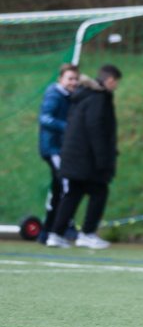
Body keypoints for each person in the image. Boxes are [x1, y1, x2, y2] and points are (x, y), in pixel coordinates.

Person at [46, 65, 122, 249]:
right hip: (86, 157)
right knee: (99, 192)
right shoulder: (98, 98)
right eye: (116, 82)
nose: (116, 86)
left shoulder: (83, 96)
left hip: (74, 154)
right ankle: (87, 233)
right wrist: (103, 158)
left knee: (73, 193)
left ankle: (55, 234)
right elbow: (95, 129)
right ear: (110, 80)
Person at [37, 63, 80, 243]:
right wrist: (68, 128)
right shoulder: (54, 95)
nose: (74, 82)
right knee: (66, 186)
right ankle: (63, 227)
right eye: (70, 78)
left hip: (62, 148)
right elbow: (45, 118)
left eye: (76, 79)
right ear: (60, 79)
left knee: (58, 188)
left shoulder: (71, 96)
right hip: (53, 149)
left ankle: (47, 231)